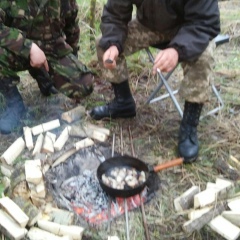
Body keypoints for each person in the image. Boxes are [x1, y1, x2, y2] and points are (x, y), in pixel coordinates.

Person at [90, 0, 220, 163]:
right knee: (103, 44)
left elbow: (205, 22)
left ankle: (189, 126)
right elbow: (115, 14)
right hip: (148, 27)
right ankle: (123, 103)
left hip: (187, 28)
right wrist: (113, 43)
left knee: (203, 57)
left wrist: (177, 50)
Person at [0, 0, 94, 134]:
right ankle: (13, 102)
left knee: (84, 84)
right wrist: (29, 48)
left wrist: (71, 65)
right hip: (16, 49)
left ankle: (42, 75)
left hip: (51, 50)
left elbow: (71, 27)